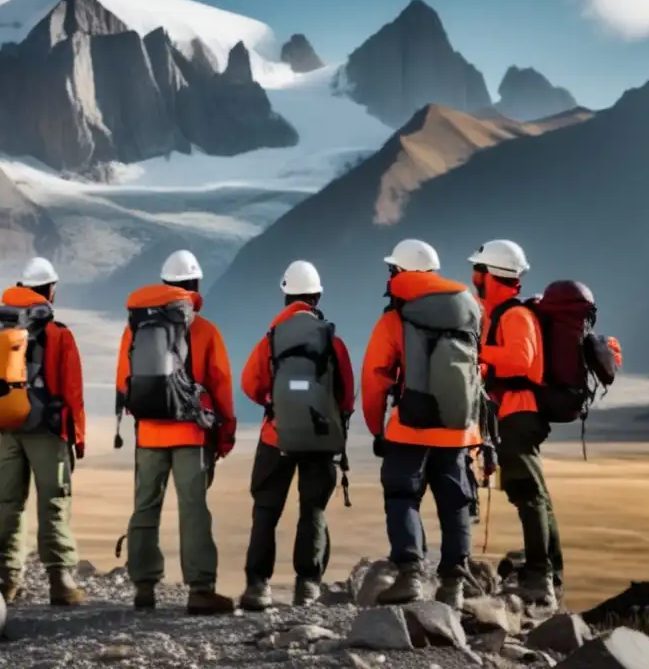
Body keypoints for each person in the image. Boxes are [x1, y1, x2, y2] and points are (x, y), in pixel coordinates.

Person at [361, 240, 483, 609]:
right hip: (458, 427)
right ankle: (453, 586)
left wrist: (376, 428)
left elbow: (375, 377)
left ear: (400, 272)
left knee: (402, 496)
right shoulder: (471, 309)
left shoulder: (395, 318)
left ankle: (411, 575)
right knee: (455, 501)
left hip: (409, 426)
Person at [115, 250, 237, 615]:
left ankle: (144, 589)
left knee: (145, 507)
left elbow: (125, 381)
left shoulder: (134, 329)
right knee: (194, 510)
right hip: (191, 435)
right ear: (195, 286)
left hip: (149, 433)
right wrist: (225, 433)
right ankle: (200, 590)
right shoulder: (205, 330)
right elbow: (221, 385)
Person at [238, 260, 355, 611]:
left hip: (276, 437)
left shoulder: (270, 340)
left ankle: (258, 587)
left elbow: (249, 384)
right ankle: (307, 587)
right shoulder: (332, 340)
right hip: (320, 440)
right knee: (313, 509)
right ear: (317, 296)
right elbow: (347, 395)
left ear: (285, 296)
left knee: (266, 510)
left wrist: (278, 406)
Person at [0, 257, 87, 606]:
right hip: (47, 430)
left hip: (8, 427)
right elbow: (72, 389)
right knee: (54, 501)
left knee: (10, 503)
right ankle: (60, 581)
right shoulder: (58, 334)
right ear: (48, 290)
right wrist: (78, 435)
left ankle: (4, 579)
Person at [469, 239, 559, 606]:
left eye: (478, 270)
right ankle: (548, 572)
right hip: (510, 414)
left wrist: (475, 351)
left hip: (518, 415)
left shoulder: (515, 316)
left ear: (490, 275)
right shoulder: (498, 314)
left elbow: (521, 362)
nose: (473, 276)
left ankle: (541, 578)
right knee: (534, 496)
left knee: (529, 496)